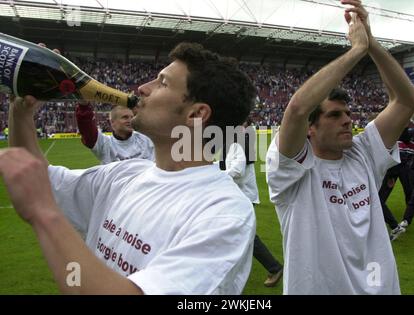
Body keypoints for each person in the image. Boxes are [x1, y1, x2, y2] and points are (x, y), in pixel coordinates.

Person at [0, 42, 257, 294]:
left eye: (162, 82)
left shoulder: (224, 212)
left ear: (196, 115)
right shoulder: (126, 173)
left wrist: (44, 214)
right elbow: (43, 181)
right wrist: (21, 112)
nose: (143, 88)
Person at [266, 0, 414, 294]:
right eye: (335, 115)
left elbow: (405, 101)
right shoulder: (290, 170)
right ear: (310, 128)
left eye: (348, 114)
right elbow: (297, 108)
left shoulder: (362, 153)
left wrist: (371, 43)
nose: (348, 121)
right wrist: (356, 51)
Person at [221, 121, 283, 287]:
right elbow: (226, 166)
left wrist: (218, 175)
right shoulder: (233, 142)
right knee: (237, 235)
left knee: (245, 236)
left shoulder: (239, 143)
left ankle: (274, 267)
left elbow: (238, 171)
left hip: (244, 197)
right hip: (238, 196)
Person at [75, 102, 155, 164]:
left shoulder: (146, 139)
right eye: (125, 117)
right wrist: (83, 106)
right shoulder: (104, 143)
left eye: (132, 117)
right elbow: (87, 130)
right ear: (112, 122)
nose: (130, 120)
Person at [378, 126, 413, 241]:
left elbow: (390, 159)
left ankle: (394, 227)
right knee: (377, 202)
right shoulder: (389, 137)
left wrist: (391, 176)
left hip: (388, 173)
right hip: (388, 173)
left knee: (377, 202)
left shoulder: (388, 138)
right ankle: (392, 227)